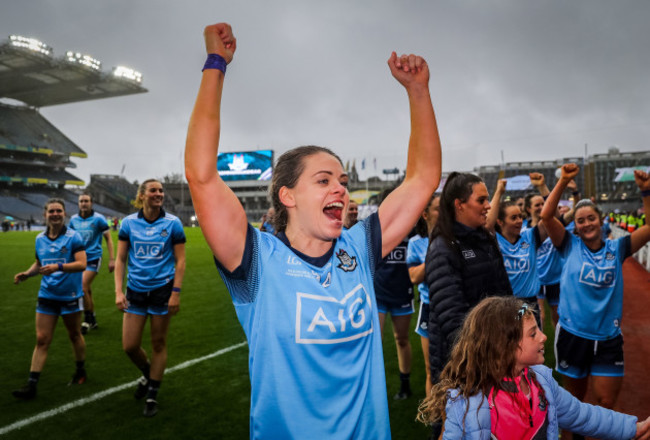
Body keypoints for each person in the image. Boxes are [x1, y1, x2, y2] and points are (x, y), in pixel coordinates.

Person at [184, 23, 441, 439]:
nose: (339, 187)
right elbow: (201, 176)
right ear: (287, 196)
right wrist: (216, 63)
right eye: (323, 180)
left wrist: (418, 92)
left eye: (341, 180)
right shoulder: (256, 260)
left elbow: (423, 178)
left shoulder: (358, 246)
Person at [416, 296, 650, 439]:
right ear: (505, 346)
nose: (543, 337)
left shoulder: (543, 382)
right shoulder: (465, 403)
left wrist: (633, 428)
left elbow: (582, 415)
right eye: (532, 333)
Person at [541, 163, 650, 439]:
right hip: (573, 336)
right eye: (581, 220)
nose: (587, 223)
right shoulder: (568, 244)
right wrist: (564, 181)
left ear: (600, 221)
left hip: (608, 339)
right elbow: (546, 215)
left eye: (591, 218)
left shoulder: (618, 248)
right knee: (573, 408)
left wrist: (646, 191)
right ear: (575, 226)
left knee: (606, 405)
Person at [425, 172, 512, 439]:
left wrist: (523, 319)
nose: (488, 205)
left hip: (493, 358)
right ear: (459, 205)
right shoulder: (442, 247)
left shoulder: (485, 239)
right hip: (461, 363)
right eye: (482, 199)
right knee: (455, 429)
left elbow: (509, 298)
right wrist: (484, 358)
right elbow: (453, 319)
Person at [114, 179, 186, 417]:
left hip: (162, 292)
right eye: (153, 190)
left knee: (158, 344)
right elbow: (121, 259)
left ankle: (152, 395)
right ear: (142, 195)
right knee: (130, 346)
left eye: (161, 191)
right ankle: (148, 374)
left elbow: (181, 261)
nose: (159, 194)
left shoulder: (173, 223)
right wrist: (118, 291)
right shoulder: (128, 223)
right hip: (135, 291)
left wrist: (175, 293)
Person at [12, 198, 88, 399]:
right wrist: (27, 274)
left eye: (59, 211)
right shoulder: (39, 239)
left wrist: (58, 267)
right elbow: (39, 263)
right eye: (51, 211)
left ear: (64, 214)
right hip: (47, 294)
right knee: (42, 339)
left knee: (74, 335)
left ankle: (80, 370)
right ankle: (32, 384)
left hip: (70, 295)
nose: (55, 214)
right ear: (45, 214)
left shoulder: (74, 237)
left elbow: (82, 264)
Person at [487, 178, 547, 328]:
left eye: (520, 216)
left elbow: (549, 216)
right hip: (503, 304)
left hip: (527, 303)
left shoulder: (530, 236)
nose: (519, 221)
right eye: (513, 218)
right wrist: (499, 192)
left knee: (529, 341)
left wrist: (543, 188)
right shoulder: (494, 240)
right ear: (500, 222)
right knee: (508, 345)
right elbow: (488, 223)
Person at [374, 189, 415, 401]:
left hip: (402, 292)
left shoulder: (413, 226)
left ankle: (405, 384)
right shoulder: (374, 229)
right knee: (374, 341)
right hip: (378, 293)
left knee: (401, 339)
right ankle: (373, 387)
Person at [406, 194, 440, 394]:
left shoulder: (457, 239)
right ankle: (436, 422)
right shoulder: (416, 243)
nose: (443, 213)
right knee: (431, 370)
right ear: (425, 214)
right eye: (438, 209)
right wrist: (435, 254)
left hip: (455, 307)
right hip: (429, 307)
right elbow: (413, 277)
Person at [69, 193, 115, 333]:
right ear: (78, 203)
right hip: (78, 259)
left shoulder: (99, 219)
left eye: (86, 201)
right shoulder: (73, 220)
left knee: (82, 285)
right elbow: (69, 239)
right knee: (86, 289)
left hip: (94, 258)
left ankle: (87, 319)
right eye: (81, 201)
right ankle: (93, 320)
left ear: (91, 203)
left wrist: (112, 259)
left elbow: (109, 239)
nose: (84, 203)